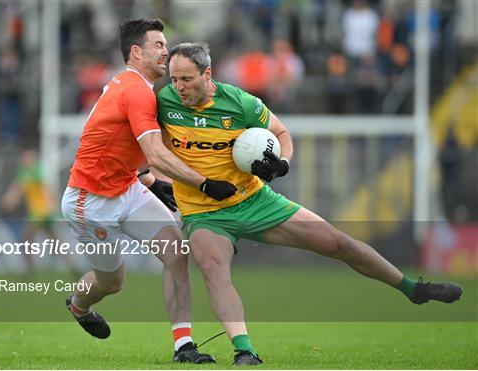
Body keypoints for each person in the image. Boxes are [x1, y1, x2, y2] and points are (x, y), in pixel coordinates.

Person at [156, 42, 463, 366]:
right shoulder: (163, 102)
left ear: (207, 74)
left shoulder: (240, 102)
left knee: (338, 242)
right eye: (173, 79)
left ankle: (413, 289)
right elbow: (149, 146)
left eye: (186, 79)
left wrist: (283, 162)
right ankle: (245, 350)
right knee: (213, 268)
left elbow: (281, 132)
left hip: (255, 201)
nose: (178, 87)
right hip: (204, 214)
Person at [61, 19, 236, 364]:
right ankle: (79, 305)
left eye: (165, 44)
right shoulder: (136, 90)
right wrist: (202, 182)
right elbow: (155, 153)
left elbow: (119, 147)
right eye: (158, 44)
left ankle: (183, 346)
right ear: (136, 52)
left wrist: (152, 182)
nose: (165, 51)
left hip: (127, 187)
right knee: (112, 282)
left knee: (176, 253)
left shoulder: (134, 86)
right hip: (90, 201)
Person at [2, 149, 80, 275]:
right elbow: (18, 189)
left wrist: (9, 201)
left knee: (27, 240)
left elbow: (23, 190)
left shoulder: (33, 171)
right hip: (42, 212)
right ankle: (73, 267)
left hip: (39, 212)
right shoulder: (29, 171)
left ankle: (28, 270)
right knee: (55, 242)